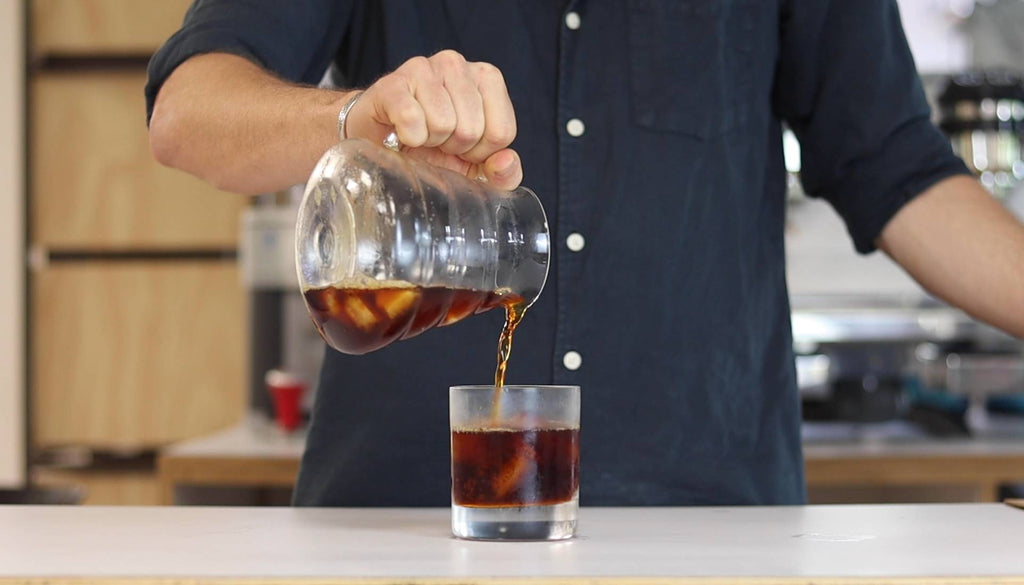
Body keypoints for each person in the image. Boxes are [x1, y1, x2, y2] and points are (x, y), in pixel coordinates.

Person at [146, 1, 1024, 507]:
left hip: (709, 532)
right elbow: (186, 112)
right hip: (397, 526)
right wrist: (352, 119)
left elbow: (898, 169)